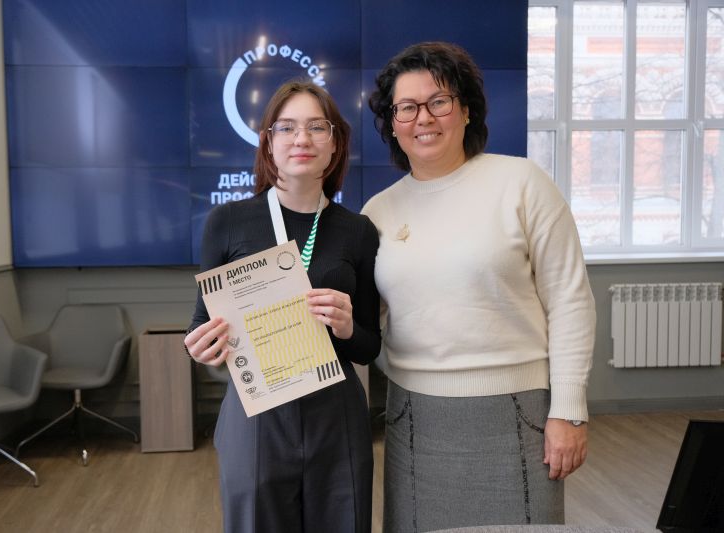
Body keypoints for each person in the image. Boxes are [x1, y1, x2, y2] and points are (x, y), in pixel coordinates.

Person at [361, 42, 596, 531]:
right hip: (413, 419)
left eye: (439, 101)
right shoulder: (378, 212)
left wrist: (569, 410)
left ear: (466, 110)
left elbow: (570, 300)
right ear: (393, 124)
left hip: (518, 414)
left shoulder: (522, 182)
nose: (424, 118)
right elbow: (369, 322)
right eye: (407, 108)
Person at [184, 80, 380, 533]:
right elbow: (199, 325)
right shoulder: (227, 222)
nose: (301, 138)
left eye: (317, 127)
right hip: (257, 416)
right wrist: (198, 346)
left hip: (336, 415)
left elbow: (370, 346)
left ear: (335, 143)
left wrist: (348, 328)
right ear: (268, 143)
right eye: (287, 127)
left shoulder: (358, 231)